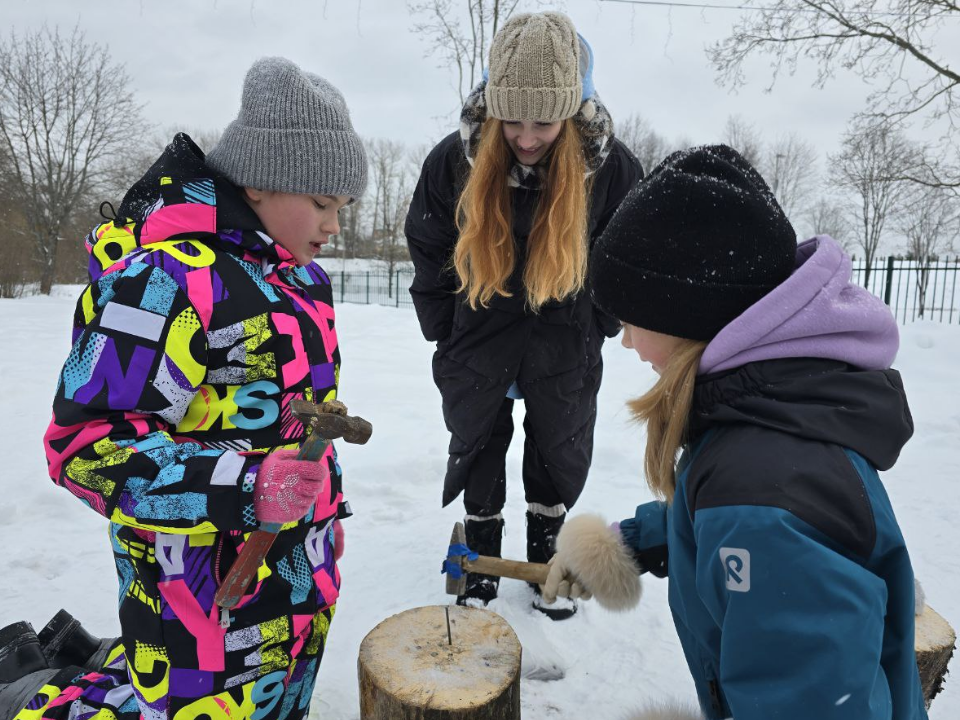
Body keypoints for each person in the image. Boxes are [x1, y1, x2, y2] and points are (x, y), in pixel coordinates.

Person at [0, 56, 366, 720]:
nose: (335, 225)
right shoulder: (164, 281)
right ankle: (30, 695)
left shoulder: (302, 284)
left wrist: (316, 520)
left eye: (342, 207)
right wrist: (245, 486)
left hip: (292, 579)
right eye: (322, 203)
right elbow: (85, 446)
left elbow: (287, 424)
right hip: (193, 590)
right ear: (261, 183)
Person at [540, 145, 928, 719]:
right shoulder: (766, 415)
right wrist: (631, 543)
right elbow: (730, 512)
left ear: (686, 320)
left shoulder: (760, 502)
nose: (624, 342)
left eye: (631, 321)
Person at [405, 11, 642, 618]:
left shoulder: (611, 168)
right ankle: (480, 558)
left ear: (573, 110)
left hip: (564, 338)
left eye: (544, 121)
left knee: (557, 443)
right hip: (478, 331)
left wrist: (600, 325)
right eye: (512, 120)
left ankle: (546, 560)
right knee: (479, 438)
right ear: (492, 110)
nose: (527, 137)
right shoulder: (452, 162)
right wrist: (445, 328)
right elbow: (428, 247)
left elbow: (625, 256)